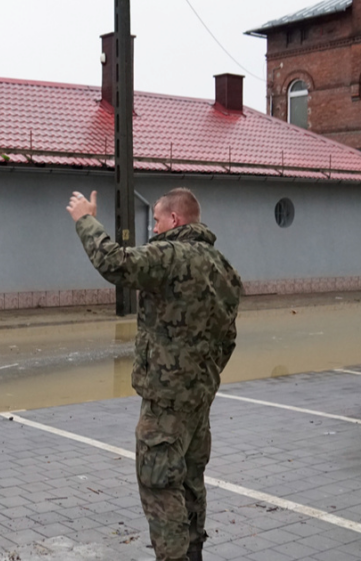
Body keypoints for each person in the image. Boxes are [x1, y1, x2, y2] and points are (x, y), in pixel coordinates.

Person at [67, 187, 241, 561]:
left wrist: (85, 219)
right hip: (199, 399)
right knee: (191, 480)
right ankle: (193, 551)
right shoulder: (223, 267)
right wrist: (203, 376)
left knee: (159, 484)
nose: (155, 229)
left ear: (175, 220)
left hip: (166, 400)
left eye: (158, 221)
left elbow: (116, 263)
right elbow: (229, 336)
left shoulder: (170, 254)